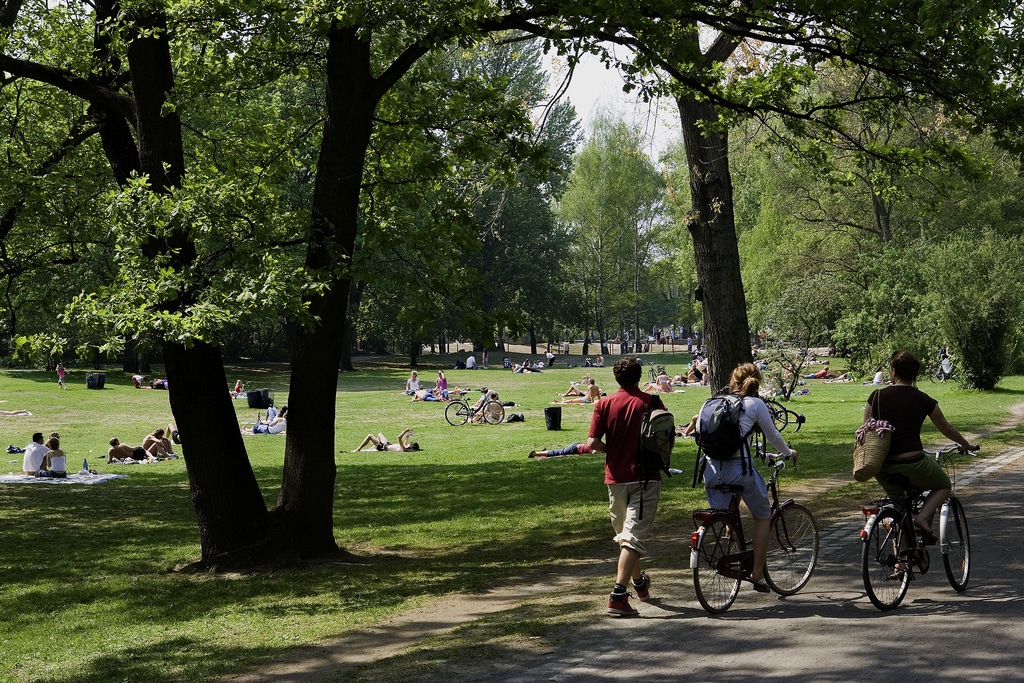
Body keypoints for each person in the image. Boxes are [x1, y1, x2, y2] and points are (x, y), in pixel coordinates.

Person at [701, 363, 797, 594]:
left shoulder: (712, 403)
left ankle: (729, 532)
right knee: (763, 516)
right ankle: (756, 572)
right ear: (758, 381)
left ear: (732, 380)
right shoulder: (755, 404)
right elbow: (773, 435)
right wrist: (788, 452)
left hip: (711, 470)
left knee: (727, 510)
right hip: (739, 470)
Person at [865, 351, 977, 546]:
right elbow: (946, 428)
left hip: (883, 466)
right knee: (943, 485)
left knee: (901, 511)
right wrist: (965, 444)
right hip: (914, 463)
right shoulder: (923, 399)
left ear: (892, 371)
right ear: (915, 375)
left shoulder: (876, 396)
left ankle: (900, 564)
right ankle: (922, 518)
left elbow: (866, 427)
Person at [586, 357, 666, 617]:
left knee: (626, 537)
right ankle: (618, 595)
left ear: (616, 377)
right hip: (645, 477)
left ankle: (640, 583)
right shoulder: (651, 402)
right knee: (631, 538)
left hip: (615, 478)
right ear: (639, 375)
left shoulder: (604, 404)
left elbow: (593, 442)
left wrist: (614, 451)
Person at [351, 428, 420, 452]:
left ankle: (358, 449)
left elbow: (399, 437)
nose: (408, 443)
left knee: (370, 436)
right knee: (380, 434)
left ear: (410, 447)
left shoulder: (403, 448)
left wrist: (404, 431)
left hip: (383, 447)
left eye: (410, 444)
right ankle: (374, 447)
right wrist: (407, 436)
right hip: (387, 444)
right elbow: (405, 441)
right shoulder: (404, 447)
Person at [529, 442, 595, 458]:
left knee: (560, 454)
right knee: (560, 453)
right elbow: (593, 453)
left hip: (577, 447)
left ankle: (542, 453)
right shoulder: (598, 451)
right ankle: (535, 453)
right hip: (574, 448)